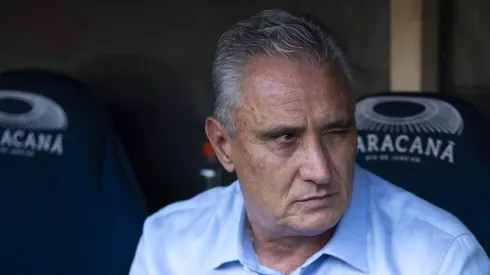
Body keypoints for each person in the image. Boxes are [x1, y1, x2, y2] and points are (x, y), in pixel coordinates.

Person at [129, 9, 490, 275]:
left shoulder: (440, 259)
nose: (320, 170)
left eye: (336, 132)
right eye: (285, 138)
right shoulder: (169, 246)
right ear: (223, 145)